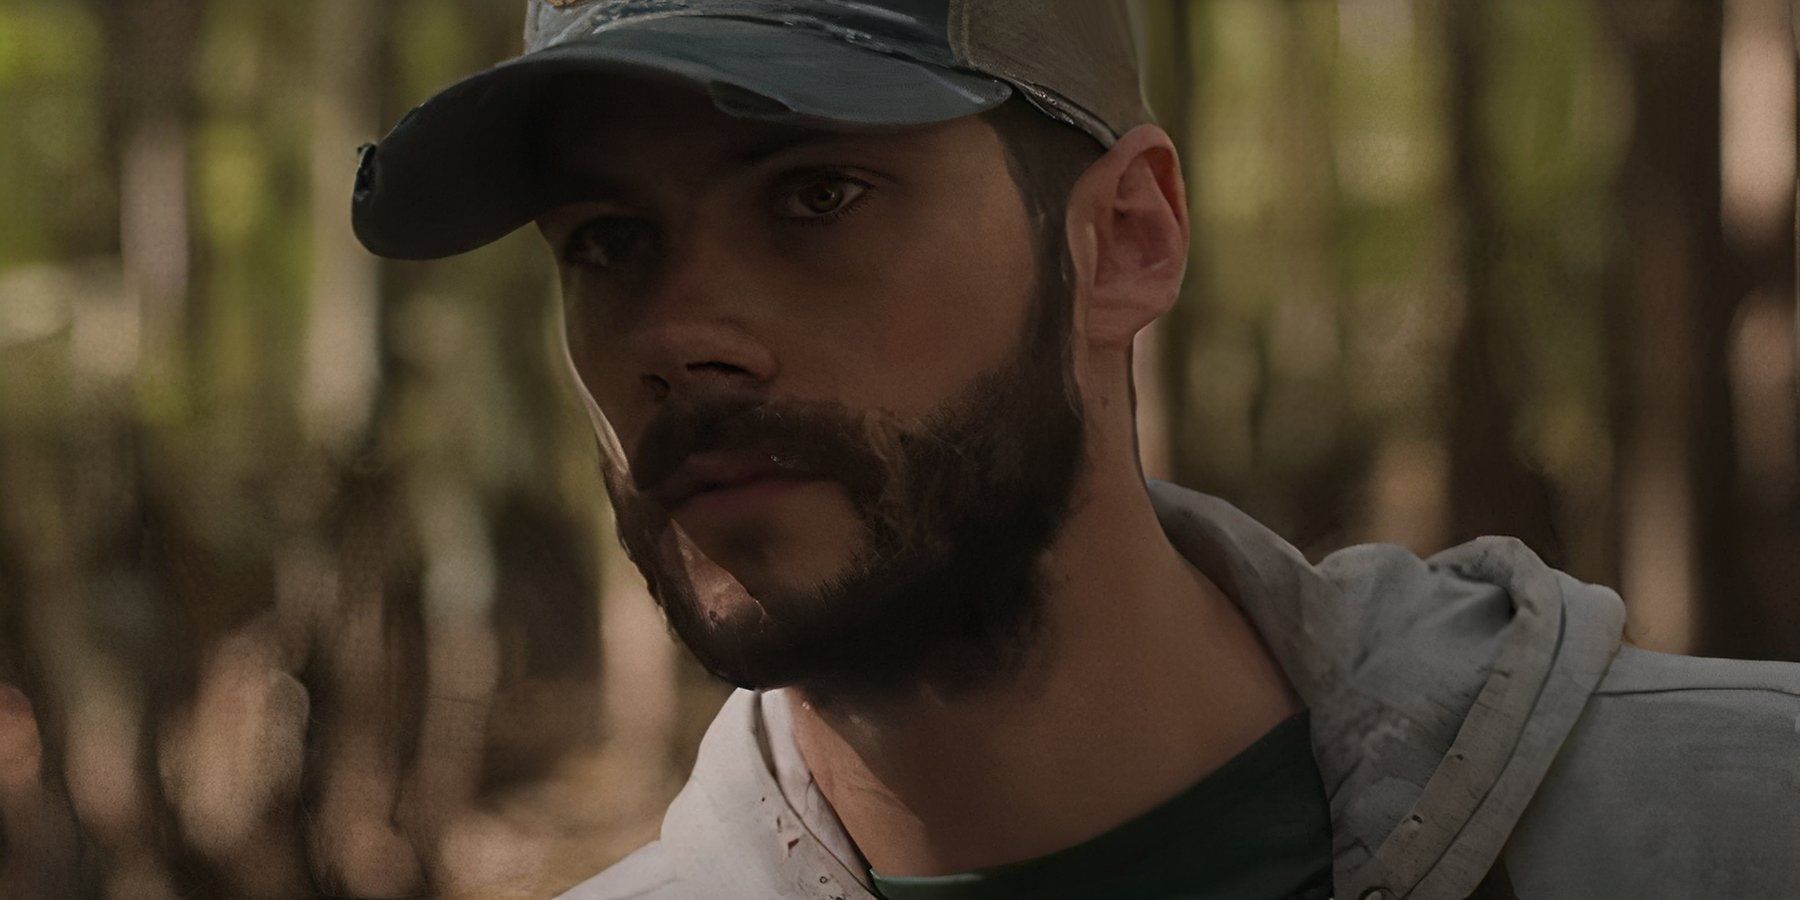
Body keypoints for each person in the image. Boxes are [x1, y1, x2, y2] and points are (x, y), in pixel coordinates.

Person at [353, 2, 1800, 898]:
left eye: (815, 197)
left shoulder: (1730, 825)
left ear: (1126, 241)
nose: (678, 336)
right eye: (608, 245)